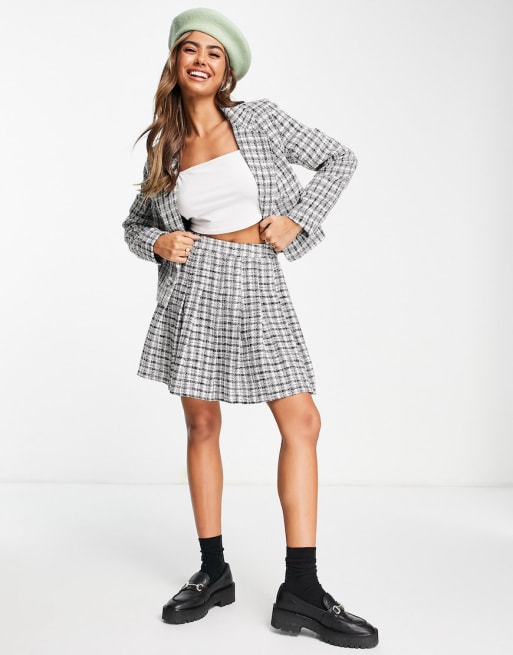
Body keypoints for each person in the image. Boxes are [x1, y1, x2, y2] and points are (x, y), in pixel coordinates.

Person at [122, 7, 378, 649]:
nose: (201, 59)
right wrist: (158, 242)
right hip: (195, 285)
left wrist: (299, 217)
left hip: (257, 277)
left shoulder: (258, 119)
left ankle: (302, 589)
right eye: (191, 48)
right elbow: (133, 225)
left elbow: (339, 159)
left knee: (302, 422)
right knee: (202, 426)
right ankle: (212, 572)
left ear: (227, 71)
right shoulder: (164, 147)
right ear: (175, 62)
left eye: (214, 52)